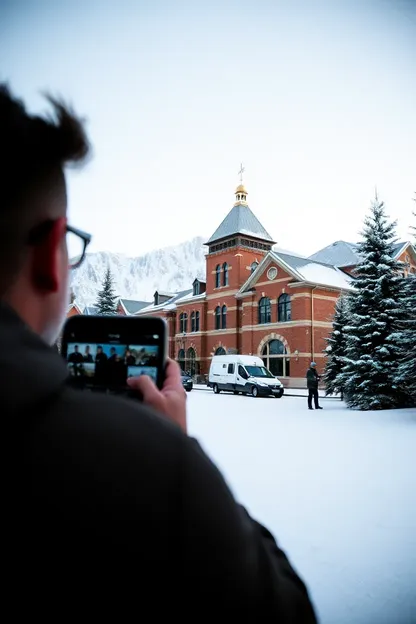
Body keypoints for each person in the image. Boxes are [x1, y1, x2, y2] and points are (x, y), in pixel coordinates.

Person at [0, 84, 317, 620]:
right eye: (220, 259)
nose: (224, 264)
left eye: (228, 257)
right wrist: (172, 449)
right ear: (51, 256)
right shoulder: (149, 467)